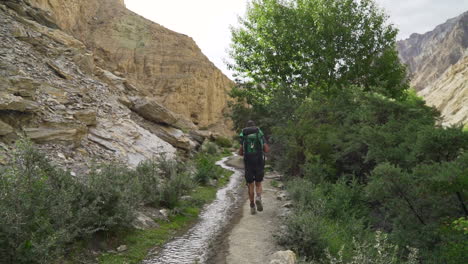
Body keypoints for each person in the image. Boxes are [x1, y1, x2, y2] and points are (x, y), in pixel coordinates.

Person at [238, 120, 270, 215]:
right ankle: (258, 197)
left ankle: (252, 206)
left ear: (247, 127)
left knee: (250, 185)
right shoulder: (259, 133)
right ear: (254, 126)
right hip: (259, 161)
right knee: (258, 183)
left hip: (248, 162)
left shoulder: (244, 134)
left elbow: (240, 152)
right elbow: (266, 149)